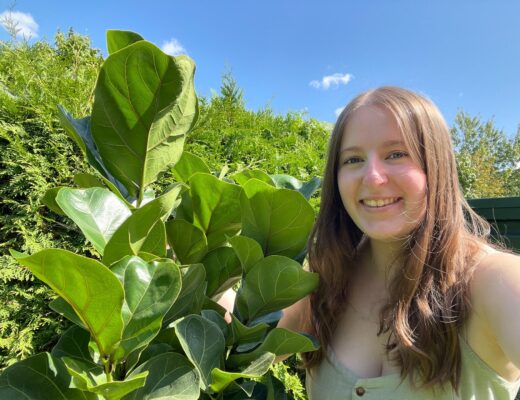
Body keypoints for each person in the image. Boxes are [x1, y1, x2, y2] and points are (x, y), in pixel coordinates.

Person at [277, 86, 520, 399]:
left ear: (436, 166)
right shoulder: (325, 275)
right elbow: (247, 340)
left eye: (396, 154)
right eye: (352, 160)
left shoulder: (493, 280)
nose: (373, 177)